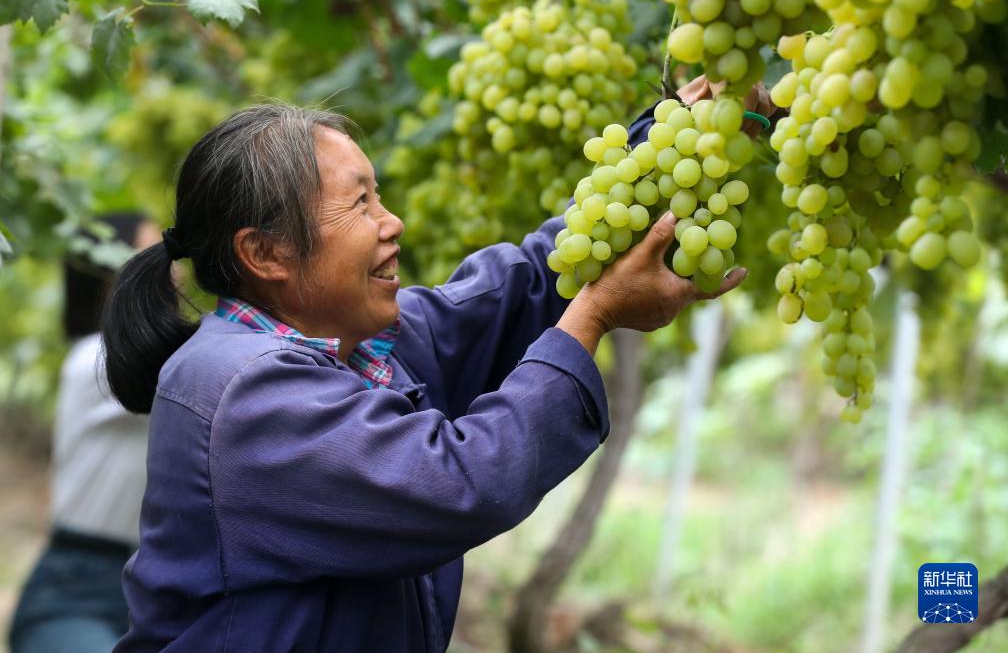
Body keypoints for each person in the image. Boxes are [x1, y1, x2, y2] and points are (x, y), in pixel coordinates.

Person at [100, 104, 746, 652]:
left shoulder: (355, 346)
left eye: (377, 195)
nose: (392, 222)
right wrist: (594, 315)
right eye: (360, 203)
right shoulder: (244, 391)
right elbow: (464, 481)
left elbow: (517, 289)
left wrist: (666, 137)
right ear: (266, 253)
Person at [8, 215, 160, 653]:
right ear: (110, 276)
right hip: (76, 588)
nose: (175, 270)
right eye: (151, 254)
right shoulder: (96, 359)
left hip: (152, 586)